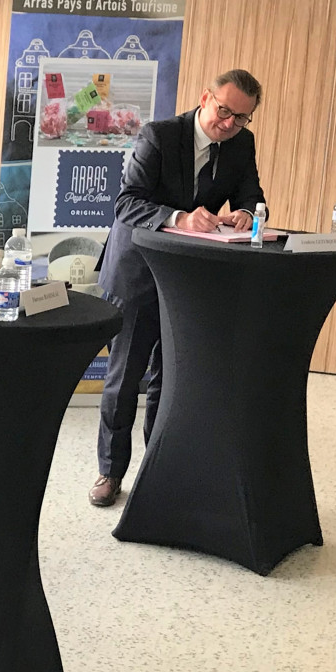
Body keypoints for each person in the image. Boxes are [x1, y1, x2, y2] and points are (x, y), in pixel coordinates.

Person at [89, 69, 266, 507]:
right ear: (206, 98)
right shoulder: (159, 135)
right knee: (124, 377)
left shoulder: (241, 143)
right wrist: (179, 218)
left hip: (188, 279)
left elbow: (252, 194)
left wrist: (246, 213)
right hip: (137, 270)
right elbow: (126, 201)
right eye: (224, 111)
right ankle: (110, 472)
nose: (229, 124)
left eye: (241, 118)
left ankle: (159, 468)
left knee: (170, 378)